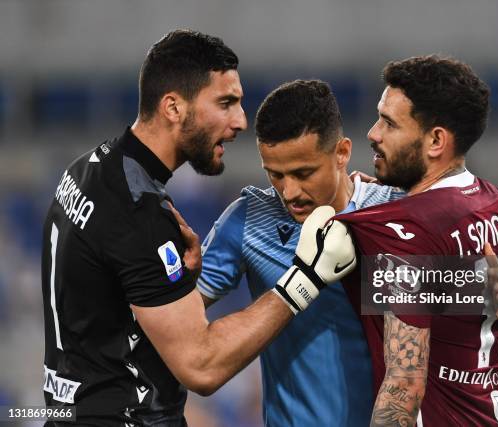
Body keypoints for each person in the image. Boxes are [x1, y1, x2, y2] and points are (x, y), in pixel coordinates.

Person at [41, 30, 356, 426]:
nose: (240, 121)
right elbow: (201, 367)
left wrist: (177, 278)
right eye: (225, 103)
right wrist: (304, 279)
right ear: (173, 107)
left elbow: (113, 292)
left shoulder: (88, 168)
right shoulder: (140, 213)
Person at [197, 79, 405, 426]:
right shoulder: (249, 220)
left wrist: (491, 284)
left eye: (303, 173)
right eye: (275, 174)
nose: (289, 191)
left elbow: (478, 298)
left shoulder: (397, 213)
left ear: (342, 152)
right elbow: (177, 326)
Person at [338, 55, 498, 426]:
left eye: (389, 123)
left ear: (435, 141)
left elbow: (403, 390)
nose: (373, 133)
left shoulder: (405, 227)